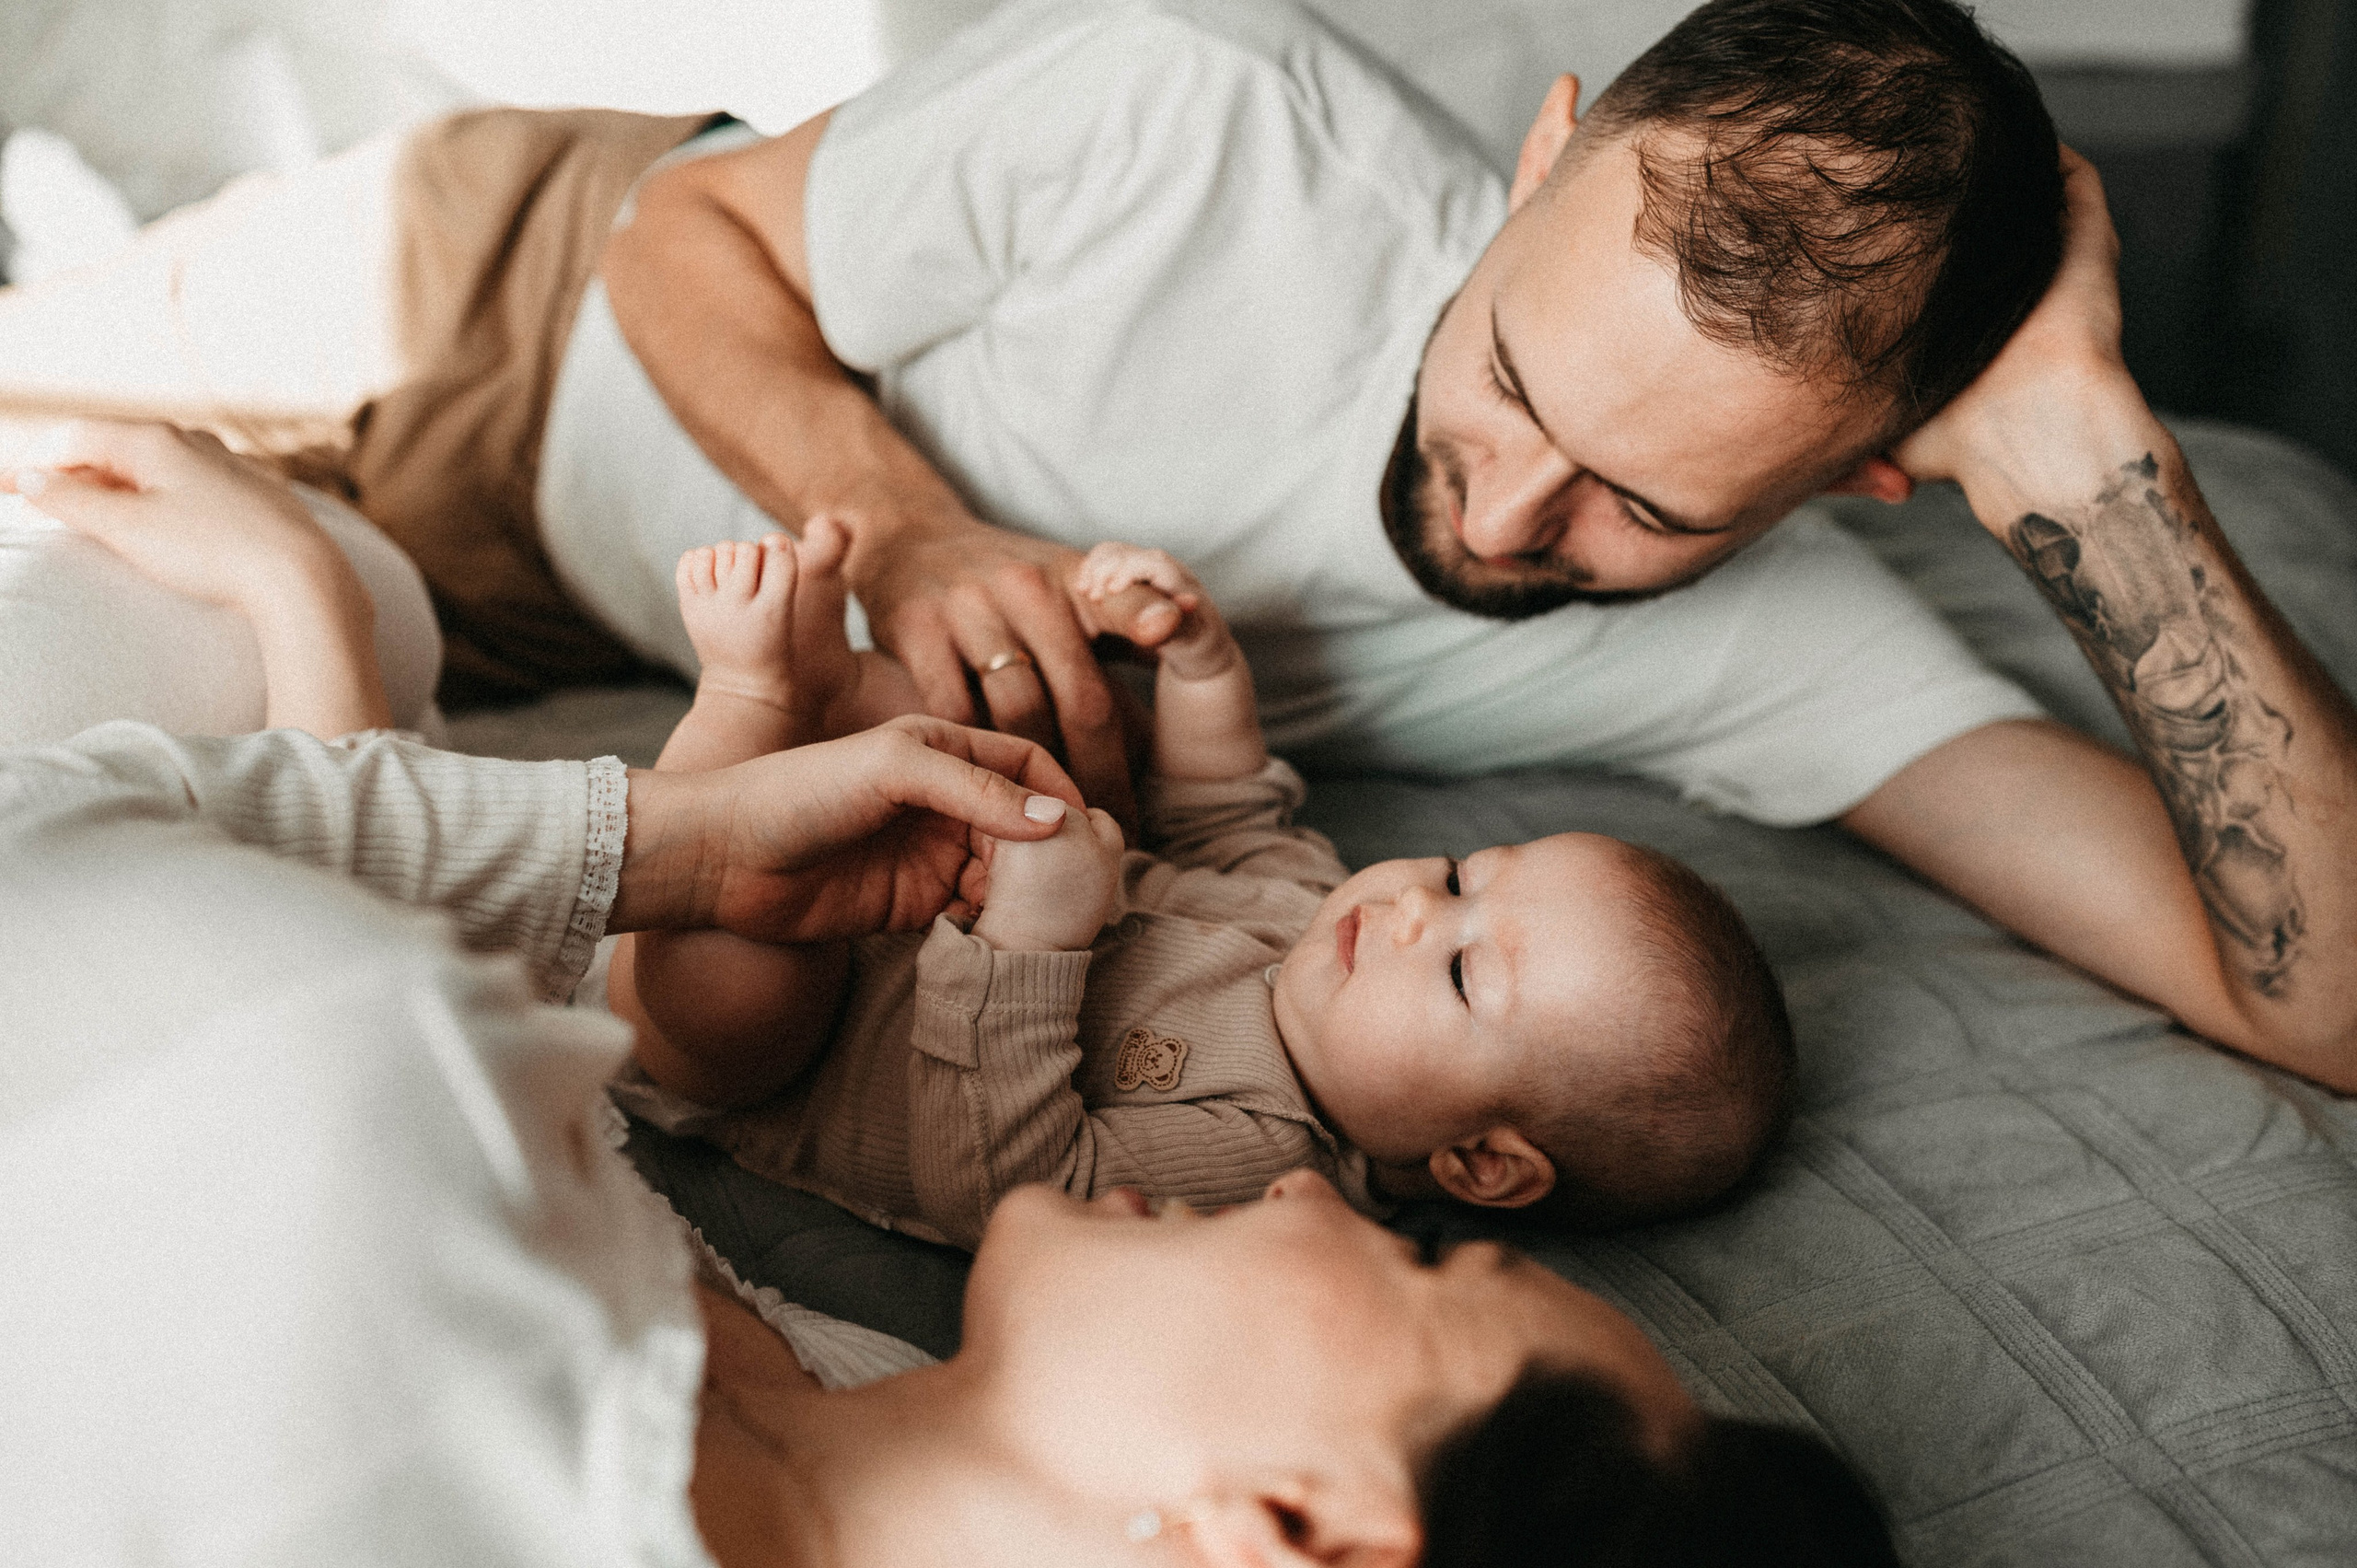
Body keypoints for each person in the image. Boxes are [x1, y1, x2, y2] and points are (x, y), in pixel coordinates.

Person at [1, 0, 2352, 1095]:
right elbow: (685, 242)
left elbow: (2312, 1004)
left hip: (516, 628)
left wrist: (2081, 449)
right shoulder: (1203, 105)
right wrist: (918, 533)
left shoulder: (1780, 640)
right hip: (504, 288)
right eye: (1508, 383)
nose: (1500, 517)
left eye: (1644, 507)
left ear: (1853, 478)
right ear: (1532, 161)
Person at [0, 633, 1900, 1563]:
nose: (1319, 1196)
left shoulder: (371, 1193)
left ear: (1292, 1526)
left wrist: (659, 839)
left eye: (1423, 1275)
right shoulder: (821, 1385)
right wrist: (684, 838)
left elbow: (77, 861)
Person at [611, 526, 1791, 1240]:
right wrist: (1201, 666)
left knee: (745, 977)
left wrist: (1032, 944)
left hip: (782, 1057)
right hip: (903, 881)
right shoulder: (1313, 916)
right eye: (1459, 874)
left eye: (1463, 971)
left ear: (1479, 1161)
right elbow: (1228, 809)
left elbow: (1008, 1194)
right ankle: (825, 689)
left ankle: (751, 695)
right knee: (936, 727)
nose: (1412, 909)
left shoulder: (1267, 1170)